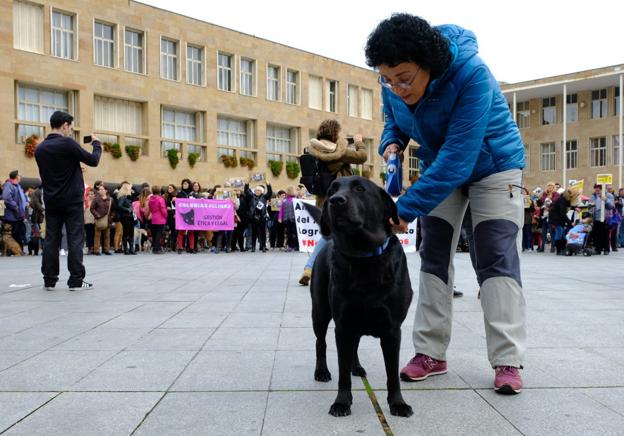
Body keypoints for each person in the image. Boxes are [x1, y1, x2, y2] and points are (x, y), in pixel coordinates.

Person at [365, 14, 526, 394]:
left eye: (404, 78)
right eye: (387, 78)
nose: (396, 86)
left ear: (429, 65)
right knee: (434, 254)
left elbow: (459, 157)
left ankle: (507, 359)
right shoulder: (392, 82)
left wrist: (402, 209)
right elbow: (396, 119)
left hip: (493, 165)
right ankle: (430, 353)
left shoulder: (473, 76)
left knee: (496, 256)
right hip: (441, 164)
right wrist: (392, 142)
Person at [34, 111, 101, 290]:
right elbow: (93, 160)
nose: (70, 130)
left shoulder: (40, 149)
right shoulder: (67, 143)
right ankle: (76, 280)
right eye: (70, 127)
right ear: (64, 125)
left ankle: (49, 280)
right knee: (75, 239)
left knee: (51, 240)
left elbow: (55, 171)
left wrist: (75, 169)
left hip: (52, 200)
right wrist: (96, 144)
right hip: (72, 200)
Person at [297, 119, 368, 285]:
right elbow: (362, 157)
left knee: (330, 235)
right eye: (340, 131)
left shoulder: (313, 150)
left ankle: (311, 268)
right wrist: (359, 143)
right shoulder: (340, 151)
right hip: (342, 202)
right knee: (343, 235)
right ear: (335, 133)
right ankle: (349, 272)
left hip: (323, 201)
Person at [2, 170, 27, 252]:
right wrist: (16, 206)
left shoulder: (17, 186)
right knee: (14, 234)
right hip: (12, 216)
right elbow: (6, 197)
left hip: (18, 215)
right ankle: (13, 251)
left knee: (19, 233)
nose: (21, 176)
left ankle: (19, 250)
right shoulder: (9, 185)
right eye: (20, 175)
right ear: (16, 176)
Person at [245, 183, 273, 252]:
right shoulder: (251, 196)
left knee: (263, 233)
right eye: (256, 190)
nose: (257, 191)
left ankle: (263, 246)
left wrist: (268, 185)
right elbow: (246, 191)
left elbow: (270, 193)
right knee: (254, 233)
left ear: (262, 191)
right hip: (253, 217)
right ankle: (253, 247)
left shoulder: (264, 197)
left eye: (259, 190)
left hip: (262, 217)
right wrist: (247, 184)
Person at [590, 183, 614, 255]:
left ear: (602, 188)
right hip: (596, 217)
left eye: (599, 188)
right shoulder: (593, 195)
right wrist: (590, 207)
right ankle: (598, 249)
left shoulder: (609, 195)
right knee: (596, 234)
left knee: (605, 234)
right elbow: (590, 205)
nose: (597, 189)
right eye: (596, 188)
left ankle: (606, 249)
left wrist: (606, 200)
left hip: (605, 217)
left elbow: (612, 206)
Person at [90, 184, 112, 255]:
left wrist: (111, 216)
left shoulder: (110, 199)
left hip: (107, 219)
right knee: (97, 235)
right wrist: (97, 215)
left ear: (106, 190)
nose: (100, 191)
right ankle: (96, 250)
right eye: (99, 189)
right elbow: (92, 209)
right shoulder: (96, 199)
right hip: (99, 219)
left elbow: (113, 209)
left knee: (107, 235)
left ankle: (106, 250)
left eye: (102, 189)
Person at [116, 182, 136, 255]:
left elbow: (137, 193)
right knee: (126, 232)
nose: (130, 189)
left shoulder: (128, 196)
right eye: (129, 187)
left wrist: (132, 186)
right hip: (125, 217)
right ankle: (126, 249)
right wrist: (128, 209)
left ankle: (131, 249)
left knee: (131, 232)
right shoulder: (123, 196)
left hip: (130, 216)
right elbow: (119, 206)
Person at [148, 185, 167, 254]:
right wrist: (166, 216)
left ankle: (155, 248)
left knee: (155, 234)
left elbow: (150, 208)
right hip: (160, 218)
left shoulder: (150, 199)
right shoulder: (160, 199)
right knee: (159, 234)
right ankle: (157, 249)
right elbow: (163, 209)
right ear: (159, 191)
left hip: (153, 218)